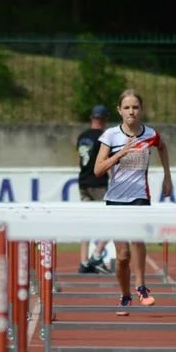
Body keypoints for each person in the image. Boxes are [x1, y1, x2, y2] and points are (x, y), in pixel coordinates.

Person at [94, 88, 173, 312]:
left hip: (140, 196)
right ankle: (125, 295)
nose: (131, 112)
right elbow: (98, 169)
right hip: (115, 200)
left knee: (138, 239)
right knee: (122, 256)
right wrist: (119, 154)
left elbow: (163, 147)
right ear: (119, 110)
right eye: (127, 108)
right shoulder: (110, 136)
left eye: (135, 107)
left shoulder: (150, 134)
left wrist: (167, 177)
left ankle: (141, 286)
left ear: (141, 109)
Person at [77, 104, 112, 274]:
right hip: (99, 183)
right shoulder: (104, 137)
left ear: (91, 117)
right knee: (114, 221)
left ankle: (83, 261)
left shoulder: (82, 136)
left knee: (84, 223)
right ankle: (97, 255)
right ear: (105, 120)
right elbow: (107, 163)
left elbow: (81, 160)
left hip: (83, 182)